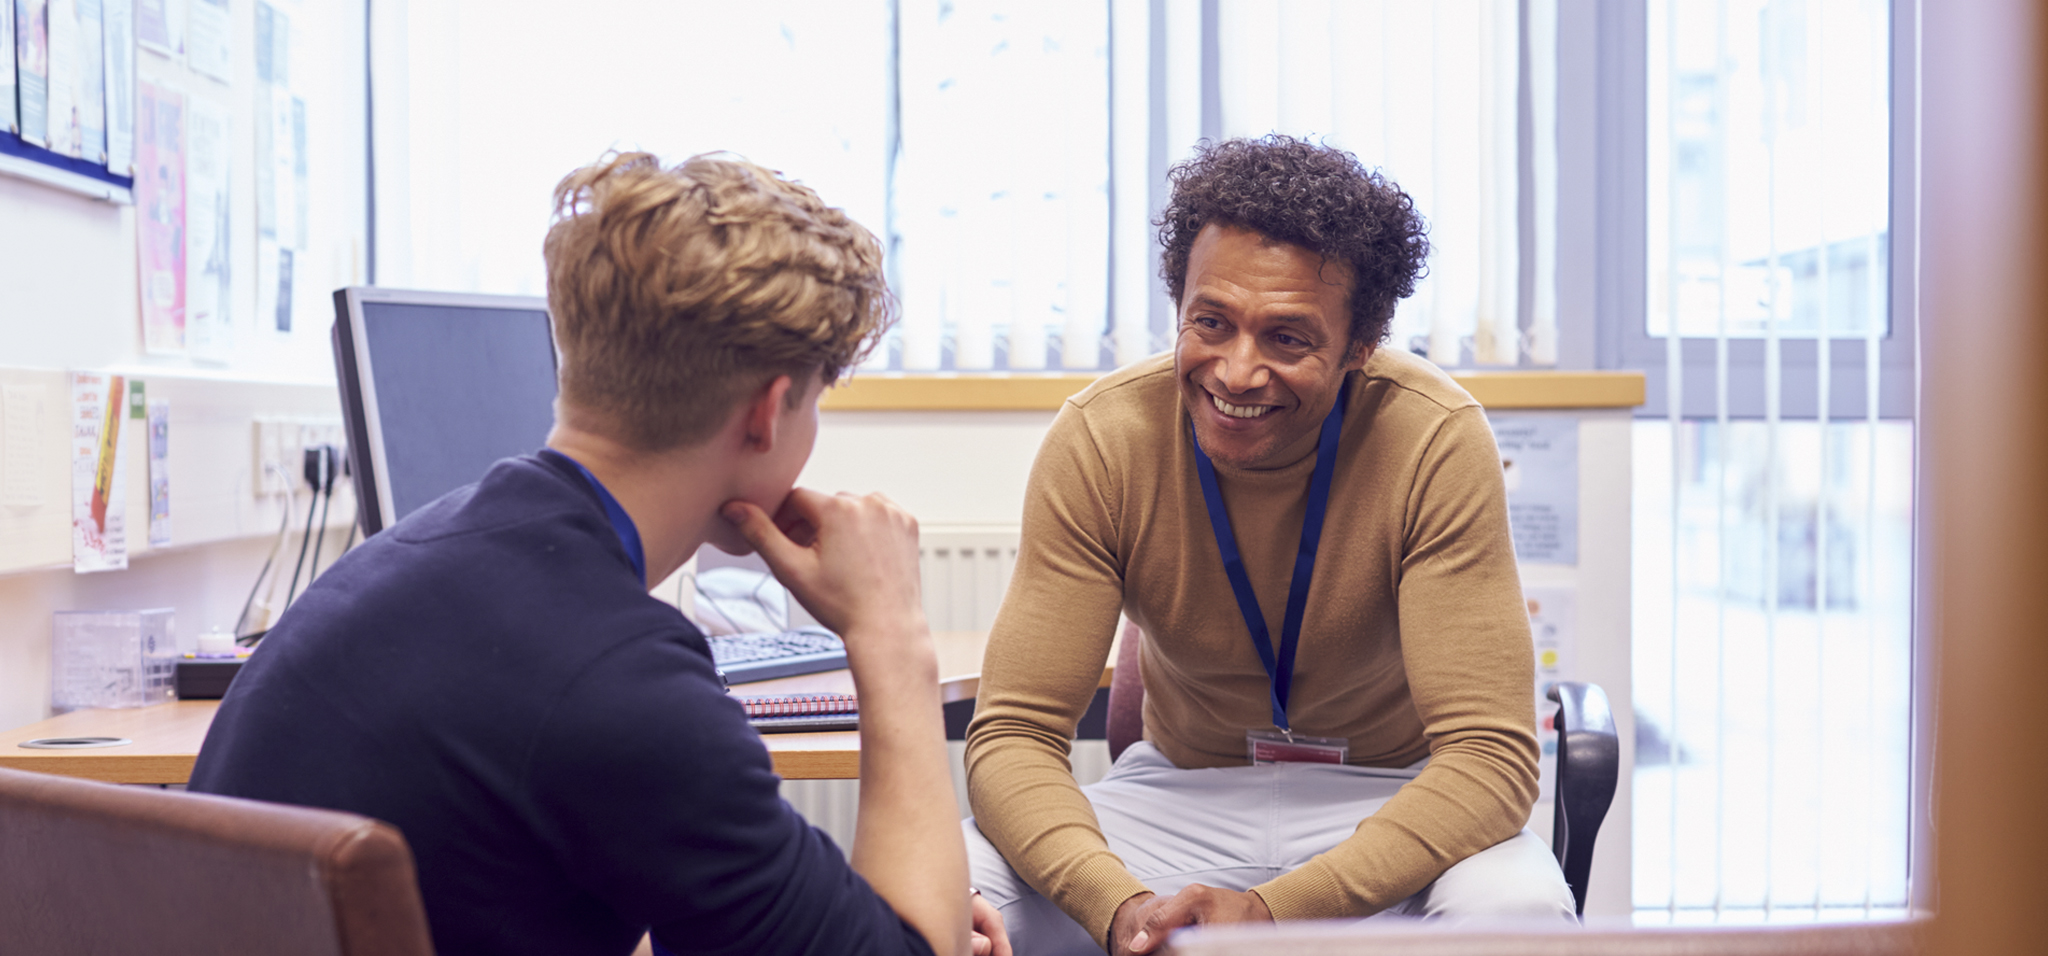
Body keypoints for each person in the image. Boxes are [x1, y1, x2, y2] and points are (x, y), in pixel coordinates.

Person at [191, 152, 1007, 956]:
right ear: (768, 412)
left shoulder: (411, 557)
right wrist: (893, 633)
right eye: (818, 400)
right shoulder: (621, 682)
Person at [962, 135, 1576, 956]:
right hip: (1177, 801)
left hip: (1388, 800)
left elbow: (1491, 758)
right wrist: (1119, 905)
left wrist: (1273, 911)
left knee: (1519, 917)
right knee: (944, 893)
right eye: (1209, 323)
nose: (1236, 372)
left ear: (1360, 347)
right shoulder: (1102, 439)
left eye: (1287, 339)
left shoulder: (1433, 438)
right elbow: (1013, 736)